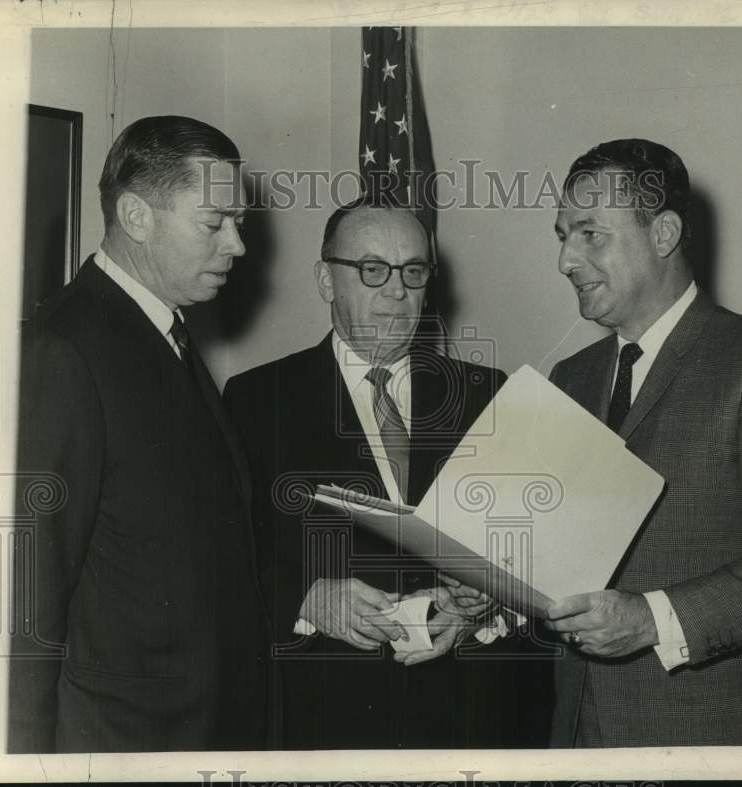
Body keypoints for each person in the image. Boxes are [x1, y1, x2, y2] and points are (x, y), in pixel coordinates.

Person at [544, 138, 742, 746]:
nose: (565, 260)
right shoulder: (570, 378)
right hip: (580, 731)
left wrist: (653, 619)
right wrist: (488, 594)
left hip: (709, 736)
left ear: (662, 235)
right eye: (561, 235)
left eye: (589, 233)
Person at [223, 197, 540, 748]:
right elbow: (224, 556)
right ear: (326, 279)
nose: (397, 291)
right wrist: (307, 597)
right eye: (372, 270)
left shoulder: (488, 392)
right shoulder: (256, 399)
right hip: (329, 718)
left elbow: (536, 550)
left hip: (473, 719)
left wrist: (490, 600)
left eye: (413, 271)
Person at [8, 115, 276, 752]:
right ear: (135, 216)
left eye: (238, 223)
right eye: (214, 223)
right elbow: (29, 589)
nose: (236, 245)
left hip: (196, 727)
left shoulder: (162, 333)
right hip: (123, 739)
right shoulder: (68, 347)